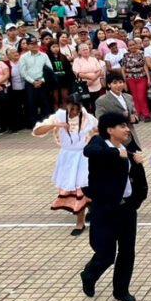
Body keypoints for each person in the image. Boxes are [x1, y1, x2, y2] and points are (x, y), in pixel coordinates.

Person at [79, 112, 149, 301]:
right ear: (110, 130)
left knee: (127, 251)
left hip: (126, 208)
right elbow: (89, 152)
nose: (127, 129)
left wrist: (136, 200)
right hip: (105, 209)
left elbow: (136, 175)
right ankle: (89, 275)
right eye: (122, 126)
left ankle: (121, 290)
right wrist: (116, 153)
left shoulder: (129, 146)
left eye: (126, 125)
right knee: (106, 254)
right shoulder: (98, 144)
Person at [33, 96, 97, 236]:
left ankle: (86, 216)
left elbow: (99, 129)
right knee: (74, 188)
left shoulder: (87, 117)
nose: (74, 112)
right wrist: (56, 125)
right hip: (68, 158)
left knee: (84, 186)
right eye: (71, 108)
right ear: (66, 105)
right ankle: (82, 219)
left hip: (84, 156)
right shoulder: (59, 116)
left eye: (77, 109)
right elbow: (37, 131)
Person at [94, 72, 140, 146]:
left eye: (120, 82)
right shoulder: (102, 101)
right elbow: (101, 119)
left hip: (131, 136)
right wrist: (119, 117)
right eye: (115, 83)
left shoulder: (128, 97)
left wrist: (134, 118)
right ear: (109, 85)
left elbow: (134, 113)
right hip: (116, 139)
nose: (118, 85)